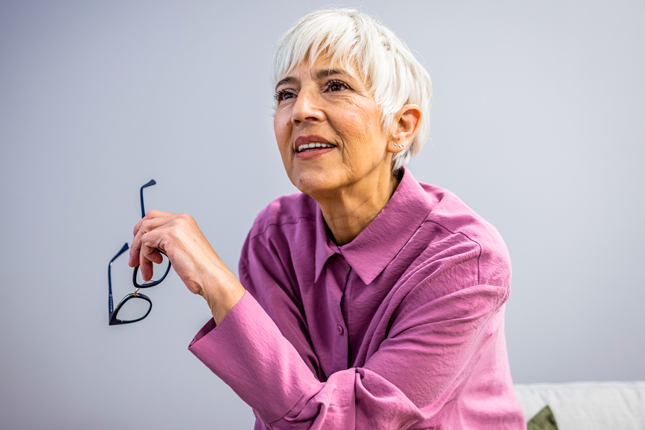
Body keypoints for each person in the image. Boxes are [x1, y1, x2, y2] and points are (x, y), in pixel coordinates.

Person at [128, 8, 526, 429]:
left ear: (401, 128)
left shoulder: (465, 260)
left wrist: (218, 285)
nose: (300, 110)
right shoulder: (274, 238)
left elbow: (346, 423)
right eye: (286, 94)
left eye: (335, 86)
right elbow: (288, 409)